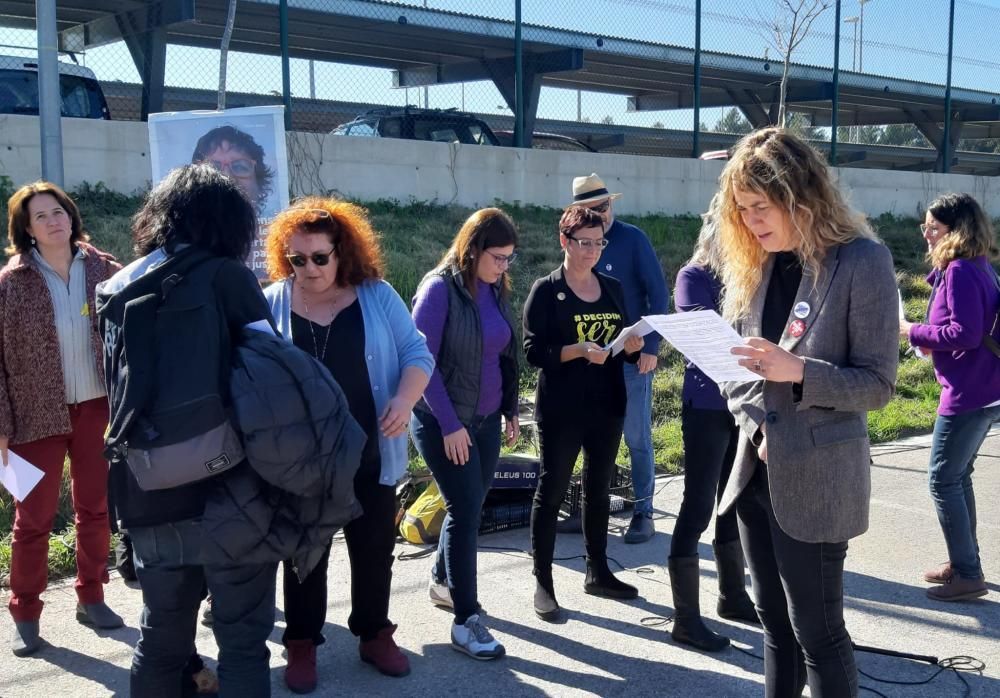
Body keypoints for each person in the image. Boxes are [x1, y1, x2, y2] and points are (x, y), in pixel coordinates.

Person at [717, 128, 898, 697]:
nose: (750, 222)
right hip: (756, 471)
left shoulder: (861, 261)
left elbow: (877, 386)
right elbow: (743, 371)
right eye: (742, 211)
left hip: (818, 480)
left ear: (802, 196)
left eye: (761, 207)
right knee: (774, 625)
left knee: (817, 633)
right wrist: (758, 416)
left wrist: (798, 375)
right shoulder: (761, 266)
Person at [98, 164, 280, 696]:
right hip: (232, 485)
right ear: (227, 223)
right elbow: (271, 377)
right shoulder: (227, 277)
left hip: (147, 483)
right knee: (243, 642)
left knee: (162, 638)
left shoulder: (116, 286)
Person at [264, 198, 434, 691]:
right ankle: (301, 644)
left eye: (320, 257)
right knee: (304, 554)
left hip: (370, 449)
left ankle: (374, 633)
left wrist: (404, 400)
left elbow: (417, 352)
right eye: (298, 259)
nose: (310, 268)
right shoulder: (272, 301)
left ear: (342, 251)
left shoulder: (376, 295)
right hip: (300, 460)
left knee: (375, 547)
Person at [1, 181, 123, 657]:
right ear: (26, 230)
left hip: (97, 408)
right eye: (41, 216)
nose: (54, 221)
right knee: (31, 520)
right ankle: (25, 613)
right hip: (33, 417)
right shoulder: (12, 283)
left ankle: (92, 596)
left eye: (59, 211)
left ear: (71, 216)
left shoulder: (105, 269)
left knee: (95, 510)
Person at [523, 205, 644, 622]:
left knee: (598, 490)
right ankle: (543, 580)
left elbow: (623, 340)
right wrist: (576, 351)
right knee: (552, 488)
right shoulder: (546, 289)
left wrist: (635, 353)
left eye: (598, 242)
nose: (592, 251)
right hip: (561, 408)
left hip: (607, 404)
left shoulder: (610, 286)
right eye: (584, 243)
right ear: (564, 241)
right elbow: (532, 351)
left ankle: (598, 571)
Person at [410, 207, 521, 661]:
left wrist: (511, 408)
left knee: (470, 505)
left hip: (487, 418)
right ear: (472, 249)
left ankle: (442, 582)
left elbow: (503, 350)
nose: (504, 267)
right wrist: (451, 425)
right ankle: (465, 620)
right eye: (498, 257)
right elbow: (422, 363)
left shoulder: (495, 288)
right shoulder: (438, 291)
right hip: (441, 421)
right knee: (464, 509)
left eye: (510, 259)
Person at [668, 195, 759, 654]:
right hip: (706, 405)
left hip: (742, 403)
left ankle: (732, 595)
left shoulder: (749, 277)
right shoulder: (693, 277)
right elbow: (705, 333)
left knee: (734, 501)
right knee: (699, 503)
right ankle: (685, 620)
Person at [900, 193, 1000, 602]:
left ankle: (968, 573)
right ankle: (964, 562)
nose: (926, 234)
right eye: (924, 227)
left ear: (955, 230)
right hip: (986, 387)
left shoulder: (960, 270)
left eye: (933, 228)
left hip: (968, 392)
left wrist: (911, 332)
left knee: (942, 478)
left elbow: (965, 333)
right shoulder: (978, 266)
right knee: (958, 477)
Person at [568, 173, 669, 544]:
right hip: (591, 357)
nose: (602, 214)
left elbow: (658, 295)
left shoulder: (633, 239)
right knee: (590, 434)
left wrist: (652, 346)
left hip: (631, 356)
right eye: (593, 209)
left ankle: (643, 512)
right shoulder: (578, 245)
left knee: (637, 436)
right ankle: (589, 504)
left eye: (605, 206)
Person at [191, 125, 275, 215]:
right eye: (214, 169)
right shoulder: (179, 227)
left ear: (259, 183)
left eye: (239, 167)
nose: (228, 177)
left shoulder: (278, 228)